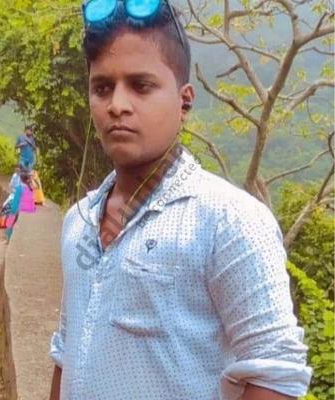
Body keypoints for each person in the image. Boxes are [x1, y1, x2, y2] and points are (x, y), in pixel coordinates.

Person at [49, 1, 312, 400]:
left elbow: (275, 372)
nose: (117, 104)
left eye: (141, 86)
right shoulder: (78, 221)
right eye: (102, 87)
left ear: (184, 101)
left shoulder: (228, 219)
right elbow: (66, 348)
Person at [5, 171, 36, 243]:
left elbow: (15, 201)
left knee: (10, 221)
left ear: (21, 179)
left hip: (21, 208)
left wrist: (13, 211)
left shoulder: (20, 188)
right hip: (30, 209)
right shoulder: (30, 187)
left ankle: (8, 239)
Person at [0, 163, 22, 229]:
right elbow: (11, 184)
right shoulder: (14, 175)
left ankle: (11, 224)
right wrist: (12, 187)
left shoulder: (22, 177)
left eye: (18, 170)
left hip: (19, 195)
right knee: (5, 205)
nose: (17, 171)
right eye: (16, 170)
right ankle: (3, 223)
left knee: (16, 210)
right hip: (13, 193)